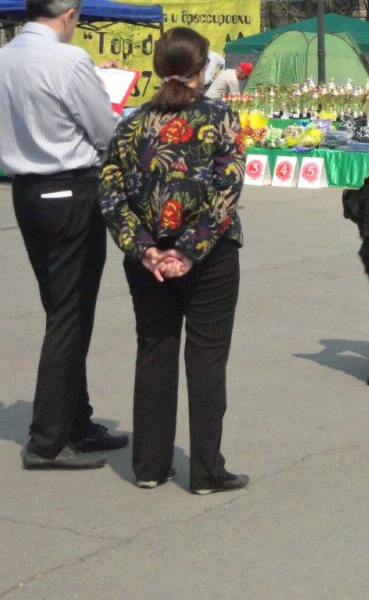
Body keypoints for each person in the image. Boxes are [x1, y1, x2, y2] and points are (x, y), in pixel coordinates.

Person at [98, 27, 249, 494]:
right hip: (211, 255)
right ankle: (205, 471)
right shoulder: (220, 117)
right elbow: (227, 188)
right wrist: (187, 249)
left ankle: (149, 466)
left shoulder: (131, 123)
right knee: (206, 358)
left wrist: (144, 248)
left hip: (148, 259)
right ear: (202, 70)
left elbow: (110, 192)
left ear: (159, 68)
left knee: (155, 351)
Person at [0, 0, 129, 470]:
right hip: (69, 189)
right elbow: (106, 130)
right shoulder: (68, 59)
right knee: (69, 314)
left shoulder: (1, 59)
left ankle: (75, 421)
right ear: (68, 15)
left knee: (63, 308)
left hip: (27, 191)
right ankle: (48, 440)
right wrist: (109, 96)